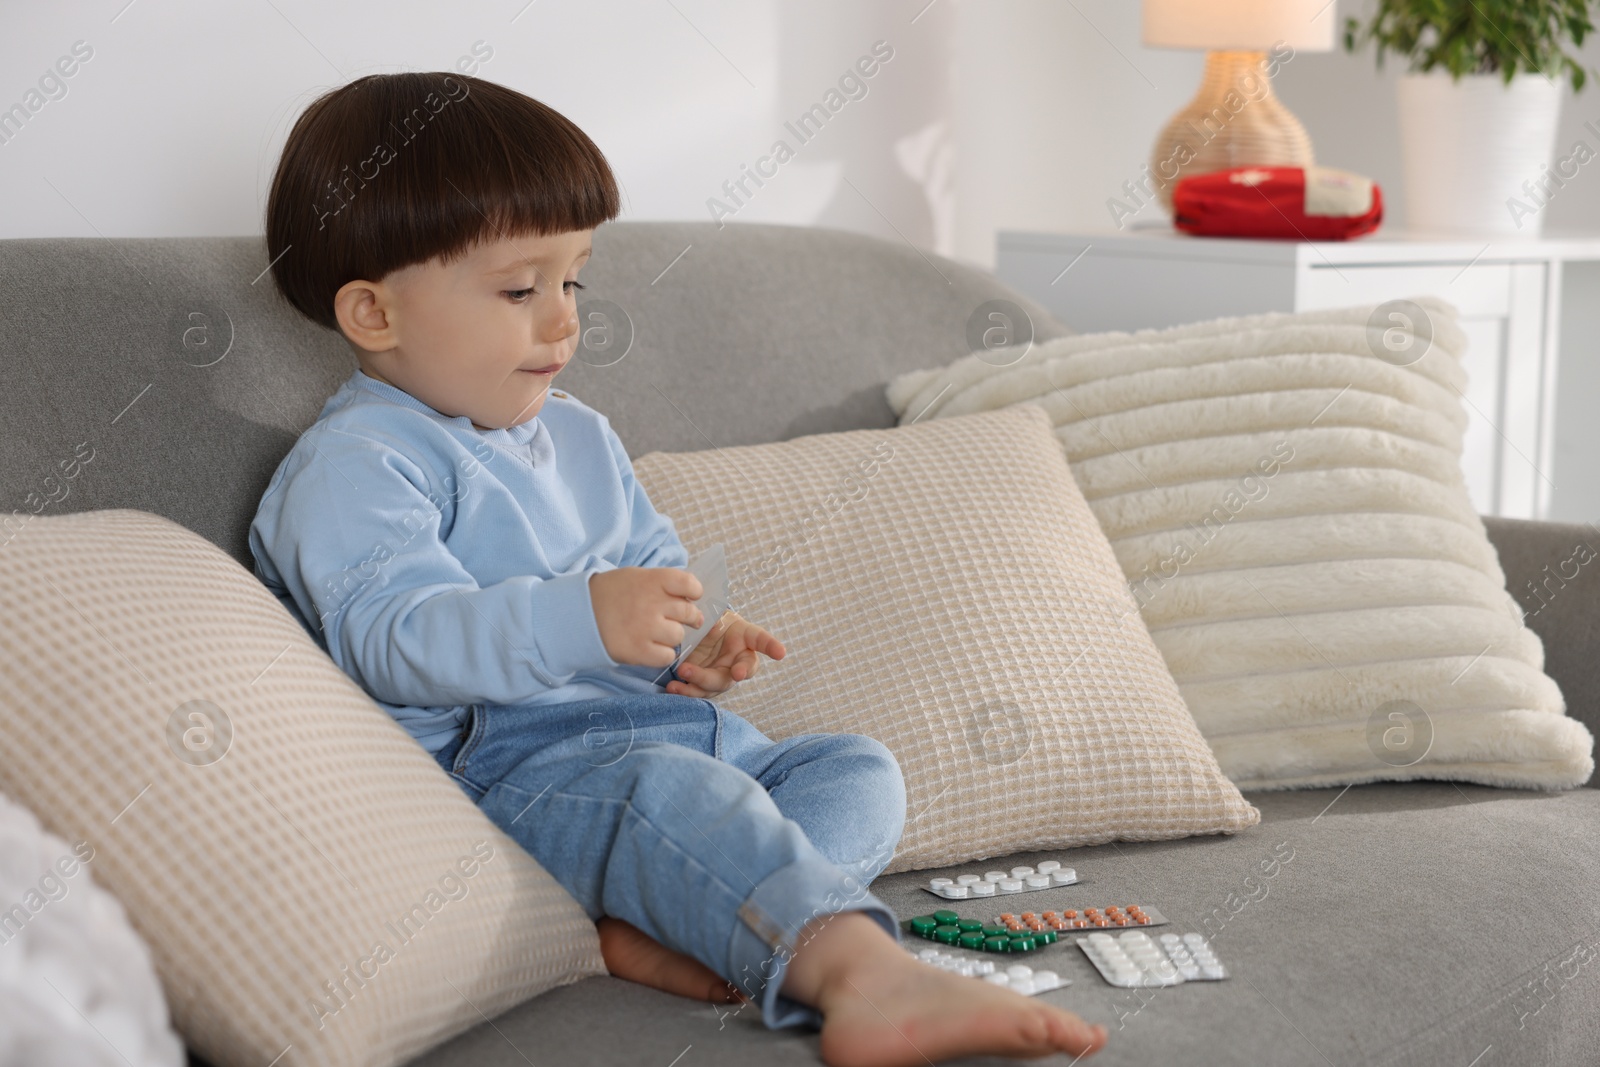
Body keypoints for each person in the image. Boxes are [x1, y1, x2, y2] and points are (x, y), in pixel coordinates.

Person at [249, 70, 1107, 1066]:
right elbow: (393, 638)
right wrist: (584, 620)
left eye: (572, 281)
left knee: (856, 768)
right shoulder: (359, 463)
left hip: (676, 736)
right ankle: (862, 974)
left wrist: (695, 638)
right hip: (516, 775)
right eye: (520, 289)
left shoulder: (573, 433)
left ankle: (678, 920)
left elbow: (650, 561)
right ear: (373, 314)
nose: (562, 319)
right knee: (668, 793)